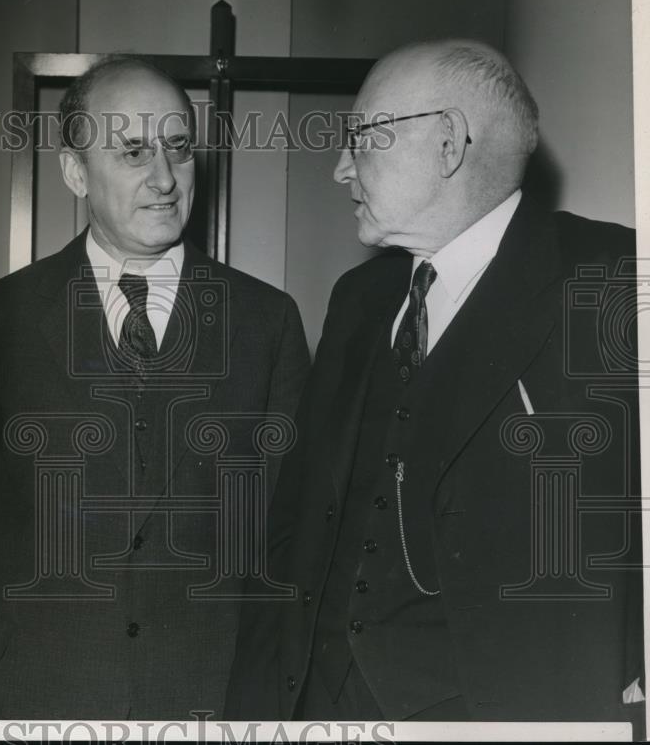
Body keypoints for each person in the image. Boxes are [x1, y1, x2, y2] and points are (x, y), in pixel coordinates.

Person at [225, 39, 645, 725]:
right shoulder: (359, 297)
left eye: (361, 138)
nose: (339, 167)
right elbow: (296, 520)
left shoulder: (610, 279)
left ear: (447, 144)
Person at [0, 56, 310, 720]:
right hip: (38, 698)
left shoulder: (268, 320)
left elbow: (289, 536)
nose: (165, 179)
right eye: (134, 152)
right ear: (74, 171)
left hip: (211, 700)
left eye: (178, 148)